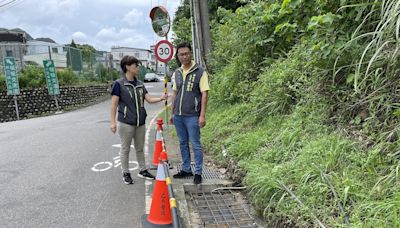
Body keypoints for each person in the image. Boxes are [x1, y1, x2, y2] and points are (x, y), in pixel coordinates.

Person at [110, 55, 167, 185]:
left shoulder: (140, 84)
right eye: (136, 66)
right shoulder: (119, 84)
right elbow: (113, 105)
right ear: (128, 67)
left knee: (140, 148)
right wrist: (112, 122)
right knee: (125, 149)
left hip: (140, 122)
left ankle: (142, 170)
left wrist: (160, 98)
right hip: (125, 123)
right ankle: (126, 172)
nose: (138, 68)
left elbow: (148, 99)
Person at [170, 42, 210, 184]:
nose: (184, 56)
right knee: (182, 143)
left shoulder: (200, 71)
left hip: (193, 115)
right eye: (181, 54)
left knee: (195, 143)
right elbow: (174, 93)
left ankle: (198, 172)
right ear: (178, 56)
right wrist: (172, 113)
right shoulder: (177, 73)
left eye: (187, 53)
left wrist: (202, 115)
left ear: (191, 53)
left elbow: (204, 94)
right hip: (179, 116)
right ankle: (186, 168)